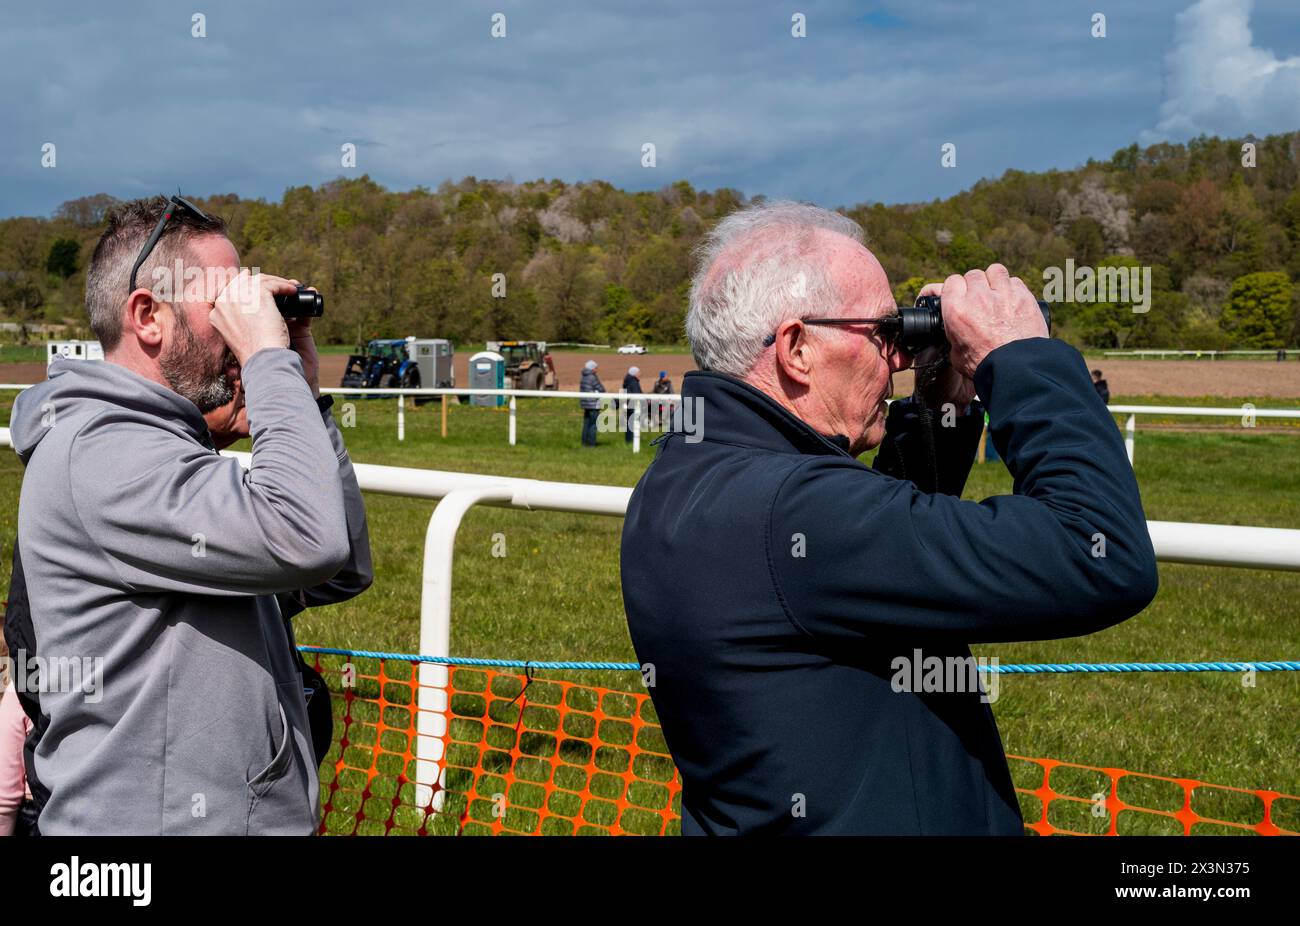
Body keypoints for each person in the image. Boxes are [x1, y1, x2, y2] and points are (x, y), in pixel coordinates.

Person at [620, 201, 1157, 835]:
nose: (901, 358)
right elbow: (1098, 553)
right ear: (796, 348)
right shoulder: (796, 509)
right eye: (883, 333)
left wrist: (939, 411)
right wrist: (1019, 356)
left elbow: (868, 583)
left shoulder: (685, 477)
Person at [7, 195, 372, 835]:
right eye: (224, 305)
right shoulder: (100, 453)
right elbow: (307, 540)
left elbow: (336, 568)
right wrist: (266, 360)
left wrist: (303, 397)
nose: (241, 327)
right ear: (148, 316)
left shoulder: (167, 452)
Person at [579, 359, 605, 446]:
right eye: (596, 367)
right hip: (593, 404)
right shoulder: (592, 377)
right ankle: (592, 444)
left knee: (586, 424)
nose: (597, 369)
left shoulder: (583, 376)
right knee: (593, 425)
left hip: (586, 404)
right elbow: (601, 389)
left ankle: (584, 443)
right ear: (592, 368)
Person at [621, 365, 643, 443]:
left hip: (628, 404)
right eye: (638, 372)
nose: (640, 374)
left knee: (629, 424)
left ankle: (629, 440)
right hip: (633, 405)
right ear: (634, 373)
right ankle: (632, 441)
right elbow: (637, 394)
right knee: (633, 424)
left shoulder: (627, 380)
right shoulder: (633, 381)